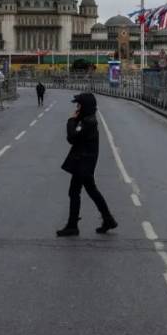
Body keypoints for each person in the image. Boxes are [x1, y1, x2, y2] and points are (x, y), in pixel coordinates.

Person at [57, 92, 117, 237]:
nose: (77, 107)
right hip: (84, 161)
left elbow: (72, 137)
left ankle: (73, 226)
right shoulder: (88, 119)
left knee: (74, 192)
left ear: (85, 106)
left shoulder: (87, 122)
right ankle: (108, 219)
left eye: (79, 104)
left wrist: (71, 120)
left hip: (83, 162)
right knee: (91, 191)